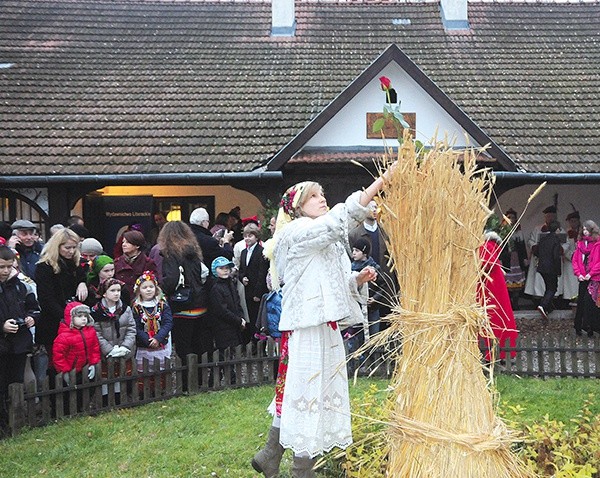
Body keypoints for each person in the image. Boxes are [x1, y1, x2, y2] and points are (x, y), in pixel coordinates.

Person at [251, 173, 388, 477]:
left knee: (316, 391)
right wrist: (380, 183)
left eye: (322, 193)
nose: (321, 198)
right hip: (305, 326)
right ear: (297, 207)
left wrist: (356, 279)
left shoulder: (327, 240)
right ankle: (301, 467)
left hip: (325, 325)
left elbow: (334, 281)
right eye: (313, 196)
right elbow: (340, 219)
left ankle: (271, 454)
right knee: (307, 392)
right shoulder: (295, 234)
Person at [158, 221, 212, 373]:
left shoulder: (171, 254)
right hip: (200, 304)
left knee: (183, 347)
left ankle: (188, 382)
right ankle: (200, 379)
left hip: (182, 306)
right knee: (197, 345)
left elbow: (172, 279)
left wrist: (161, 291)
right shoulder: (194, 252)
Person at [34, 228, 88, 379]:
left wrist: (82, 283)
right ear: (57, 247)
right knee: (57, 364)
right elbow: (46, 299)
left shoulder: (75, 263)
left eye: (74, 247)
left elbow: (82, 278)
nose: (71, 251)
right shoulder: (44, 267)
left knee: (77, 361)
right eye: (67, 248)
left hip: (75, 319)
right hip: (54, 321)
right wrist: (67, 318)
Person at [0, 245, 38, 433]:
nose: (5, 271)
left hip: (19, 344)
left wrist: (32, 317)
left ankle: (15, 422)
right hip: (2, 344)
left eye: (8, 266)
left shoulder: (21, 286)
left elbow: (34, 307)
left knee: (15, 384)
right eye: (1, 267)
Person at [477, 231, 519, 361]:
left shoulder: (486, 246)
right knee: (500, 320)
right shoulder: (492, 247)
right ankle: (502, 353)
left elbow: (485, 263)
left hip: (490, 291)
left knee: (492, 320)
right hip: (494, 290)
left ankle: (493, 354)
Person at [209, 256, 245, 383]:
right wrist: (237, 320)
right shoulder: (216, 288)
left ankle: (229, 379)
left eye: (227, 268)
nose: (225, 271)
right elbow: (221, 310)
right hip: (222, 326)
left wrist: (241, 318)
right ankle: (220, 380)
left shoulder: (231, 284)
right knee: (223, 353)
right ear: (215, 270)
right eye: (221, 268)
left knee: (228, 353)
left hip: (233, 324)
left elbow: (237, 302)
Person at [132, 271, 173, 372]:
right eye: (144, 288)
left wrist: (158, 338)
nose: (148, 290)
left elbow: (168, 323)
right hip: (144, 345)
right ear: (138, 290)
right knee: (144, 373)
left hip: (161, 342)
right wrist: (147, 340)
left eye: (151, 287)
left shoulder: (162, 305)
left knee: (161, 373)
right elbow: (136, 326)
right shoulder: (136, 307)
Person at [52, 302, 100, 382]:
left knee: (89, 390)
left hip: (87, 369)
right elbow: (58, 356)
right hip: (72, 371)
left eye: (85, 316)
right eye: (79, 316)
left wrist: (93, 363)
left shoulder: (91, 332)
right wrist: (65, 372)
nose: (84, 319)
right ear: (71, 318)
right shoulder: (64, 336)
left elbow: (95, 349)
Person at [238, 223, 269, 345]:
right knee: (251, 316)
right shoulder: (244, 252)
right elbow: (241, 270)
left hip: (258, 291)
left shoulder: (261, 251)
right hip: (248, 289)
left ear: (256, 237)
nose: (247, 238)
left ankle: (260, 342)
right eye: (245, 236)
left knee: (259, 317)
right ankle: (254, 340)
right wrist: (242, 278)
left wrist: (258, 293)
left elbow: (262, 274)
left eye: (250, 236)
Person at [572, 220, 600, 337]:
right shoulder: (580, 245)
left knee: (591, 303)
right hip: (583, 277)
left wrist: (591, 273)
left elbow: (598, 262)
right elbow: (575, 261)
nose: (584, 232)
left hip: (594, 278)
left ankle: (591, 327)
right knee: (581, 303)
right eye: (583, 229)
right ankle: (579, 326)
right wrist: (579, 274)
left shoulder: (597, 244)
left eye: (587, 230)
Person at [114, 230, 157, 299]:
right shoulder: (117, 263)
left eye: (127, 242)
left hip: (140, 301)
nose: (123, 244)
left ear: (137, 245)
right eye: (123, 242)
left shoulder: (148, 263)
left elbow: (155, 284)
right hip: (121, 302)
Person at [534, 220, 563, 320]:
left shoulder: (543, 239)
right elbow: (556, 256)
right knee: (553, 288)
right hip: (551, 267)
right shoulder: (556, 240)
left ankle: (548, 308)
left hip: (542, 266)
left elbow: (536, 251)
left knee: (548, 287)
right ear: (557, 229)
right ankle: (543, 305)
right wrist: (558, 271)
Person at [562, 211, 581, 304]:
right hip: (570, 260)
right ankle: (570, 299)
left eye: (575, 221)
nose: (573, 223)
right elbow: (563, 247)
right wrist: (571, 255)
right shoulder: (566, 233)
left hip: (582, 260)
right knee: (570, 282)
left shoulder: (583, 232)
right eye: (571, 221)